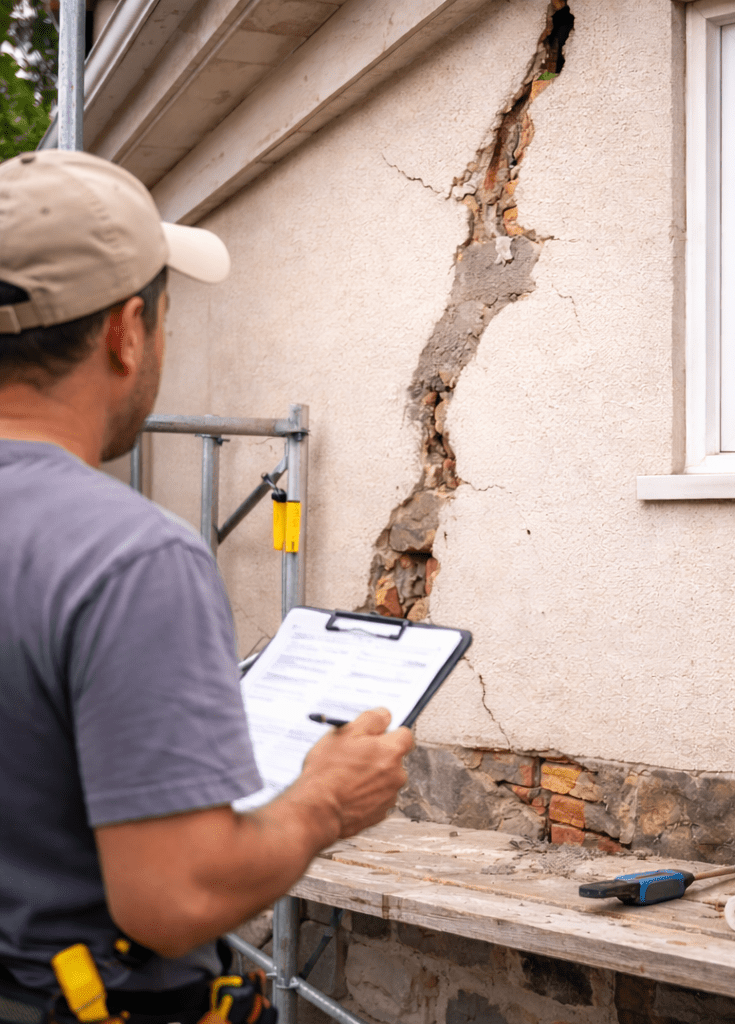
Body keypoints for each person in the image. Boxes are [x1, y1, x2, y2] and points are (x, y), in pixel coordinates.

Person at [0, 149, 415, 1021]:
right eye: (164, 315)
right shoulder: (128, 557)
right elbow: (173, 900)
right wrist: (323, 800)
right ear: (126, 331)